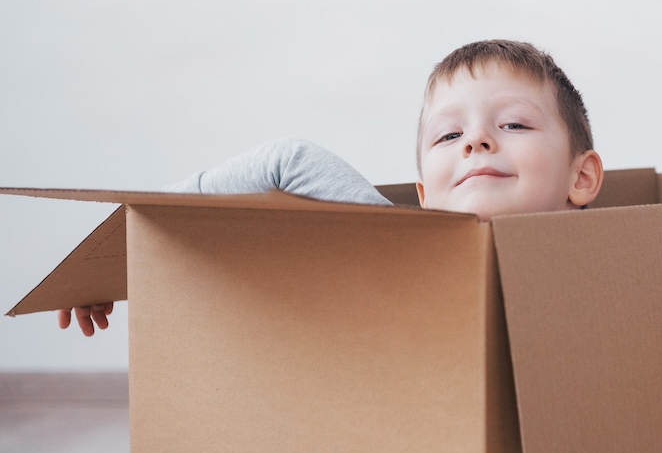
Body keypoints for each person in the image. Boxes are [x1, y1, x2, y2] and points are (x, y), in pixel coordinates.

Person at [60, 39, 604, 335]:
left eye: (512, 124)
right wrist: (124, 247)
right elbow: (288, 159)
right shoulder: (392, 244)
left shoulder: (619, 261)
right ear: (422, 194)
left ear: (581, 177)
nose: (476, 141)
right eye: (449, 134)